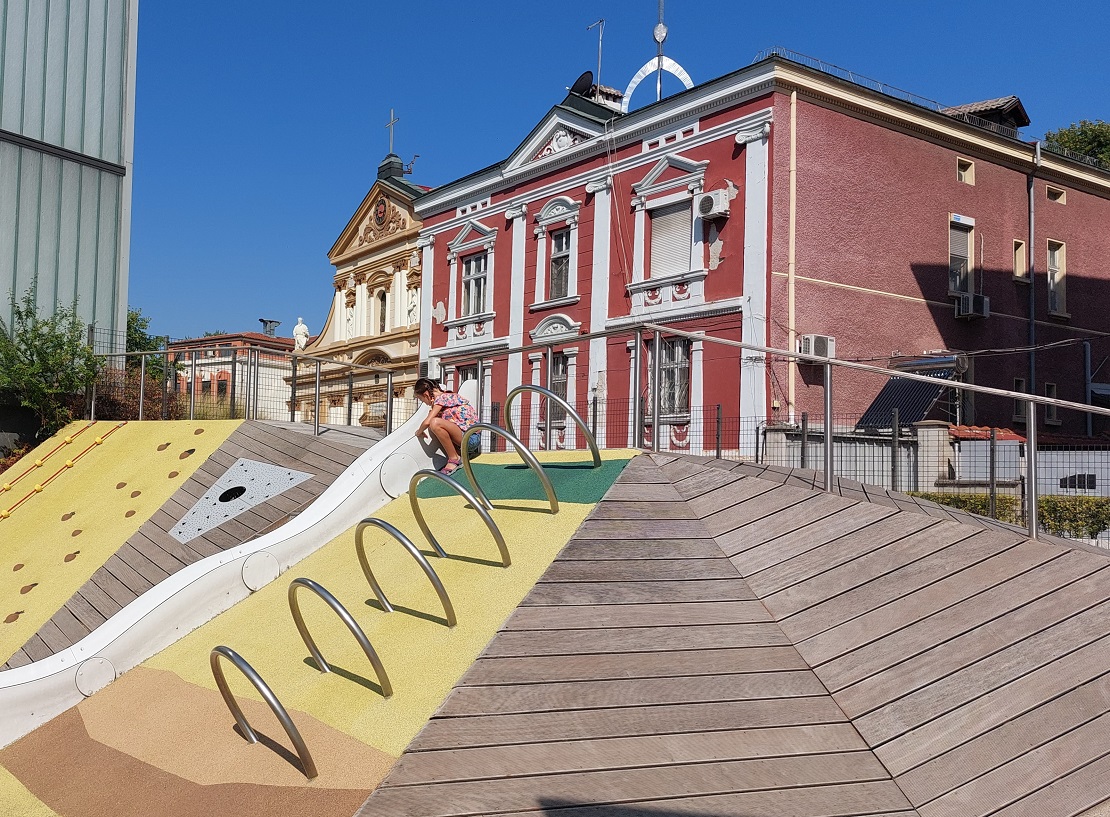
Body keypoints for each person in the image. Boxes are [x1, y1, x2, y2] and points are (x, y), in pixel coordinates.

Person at [413, 378, 479, 475]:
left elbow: (427, 422)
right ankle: (458, 454)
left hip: (471, 439)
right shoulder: (446, 399)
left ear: (426, 395)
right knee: (435, 423)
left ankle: (454, 458)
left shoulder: (442, 398)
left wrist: (418, 432)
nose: (424, 403)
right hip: (467, 439)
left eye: (421, 399)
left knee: (434, 423)